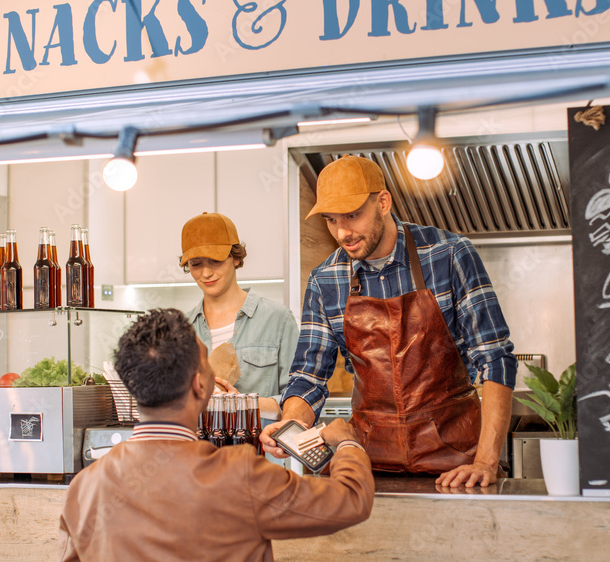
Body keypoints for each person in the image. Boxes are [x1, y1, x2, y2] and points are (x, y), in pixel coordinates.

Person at [262, 155, 517, 488]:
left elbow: (496, 358)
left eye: (353, 216)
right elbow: (309, 377)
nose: (342, 232)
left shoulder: (449, 254)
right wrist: (289, 427)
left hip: (455, 464)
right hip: (368, 464)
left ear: (383, 202)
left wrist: (485, 462)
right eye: (331, 219)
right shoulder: (325, 279)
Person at [58, 308, 373, 562]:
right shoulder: (239, 474)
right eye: (207, 362)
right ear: (200, 385)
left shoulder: (84, 487)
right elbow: (351, 500)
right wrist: (346, 441)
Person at [180, 212, 298, 423]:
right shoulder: (182, 330)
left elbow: (297, 404)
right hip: (198, 453)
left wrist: (242, 404)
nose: (206, 273)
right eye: (196, 264)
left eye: (215, 261)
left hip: (258, 453)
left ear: (236, 258)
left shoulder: (277, 320)